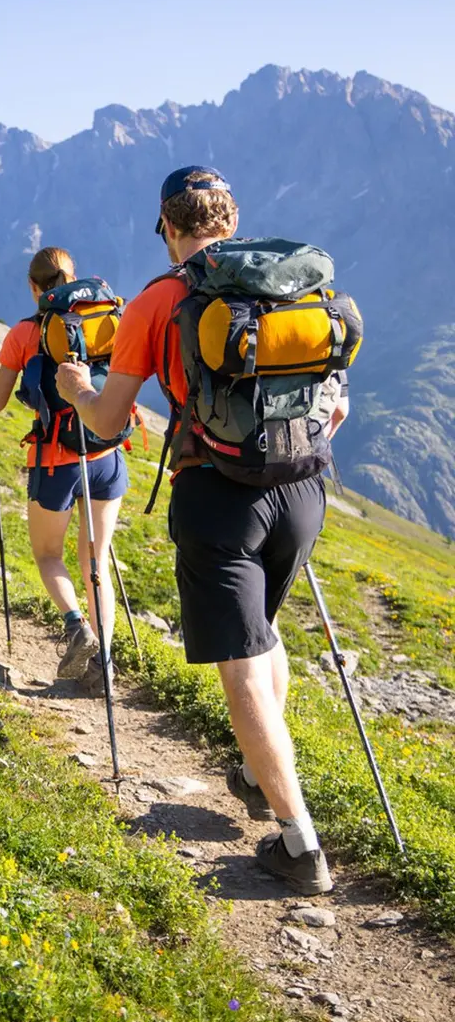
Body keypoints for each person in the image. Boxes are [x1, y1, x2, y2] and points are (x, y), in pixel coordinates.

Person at [55, 167, 347, 895]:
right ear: (231, 219)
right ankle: (256, 770)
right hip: (303, 489)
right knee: (263, 632)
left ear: (167, 227)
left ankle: (300, 843)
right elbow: (336, 404)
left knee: (240, 661)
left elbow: (109, 422)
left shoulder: (159, 300)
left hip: (217, 495)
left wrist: (78, 389)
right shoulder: (287, 282)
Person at [0, 247, 129, 692]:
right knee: (95, 561)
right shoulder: (103, 319)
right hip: (106, 454)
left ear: (33, 286)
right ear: (74, 278)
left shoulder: (25, 333)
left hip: (56, 459)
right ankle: (104, 662)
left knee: (48, 555)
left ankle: (76, 626)